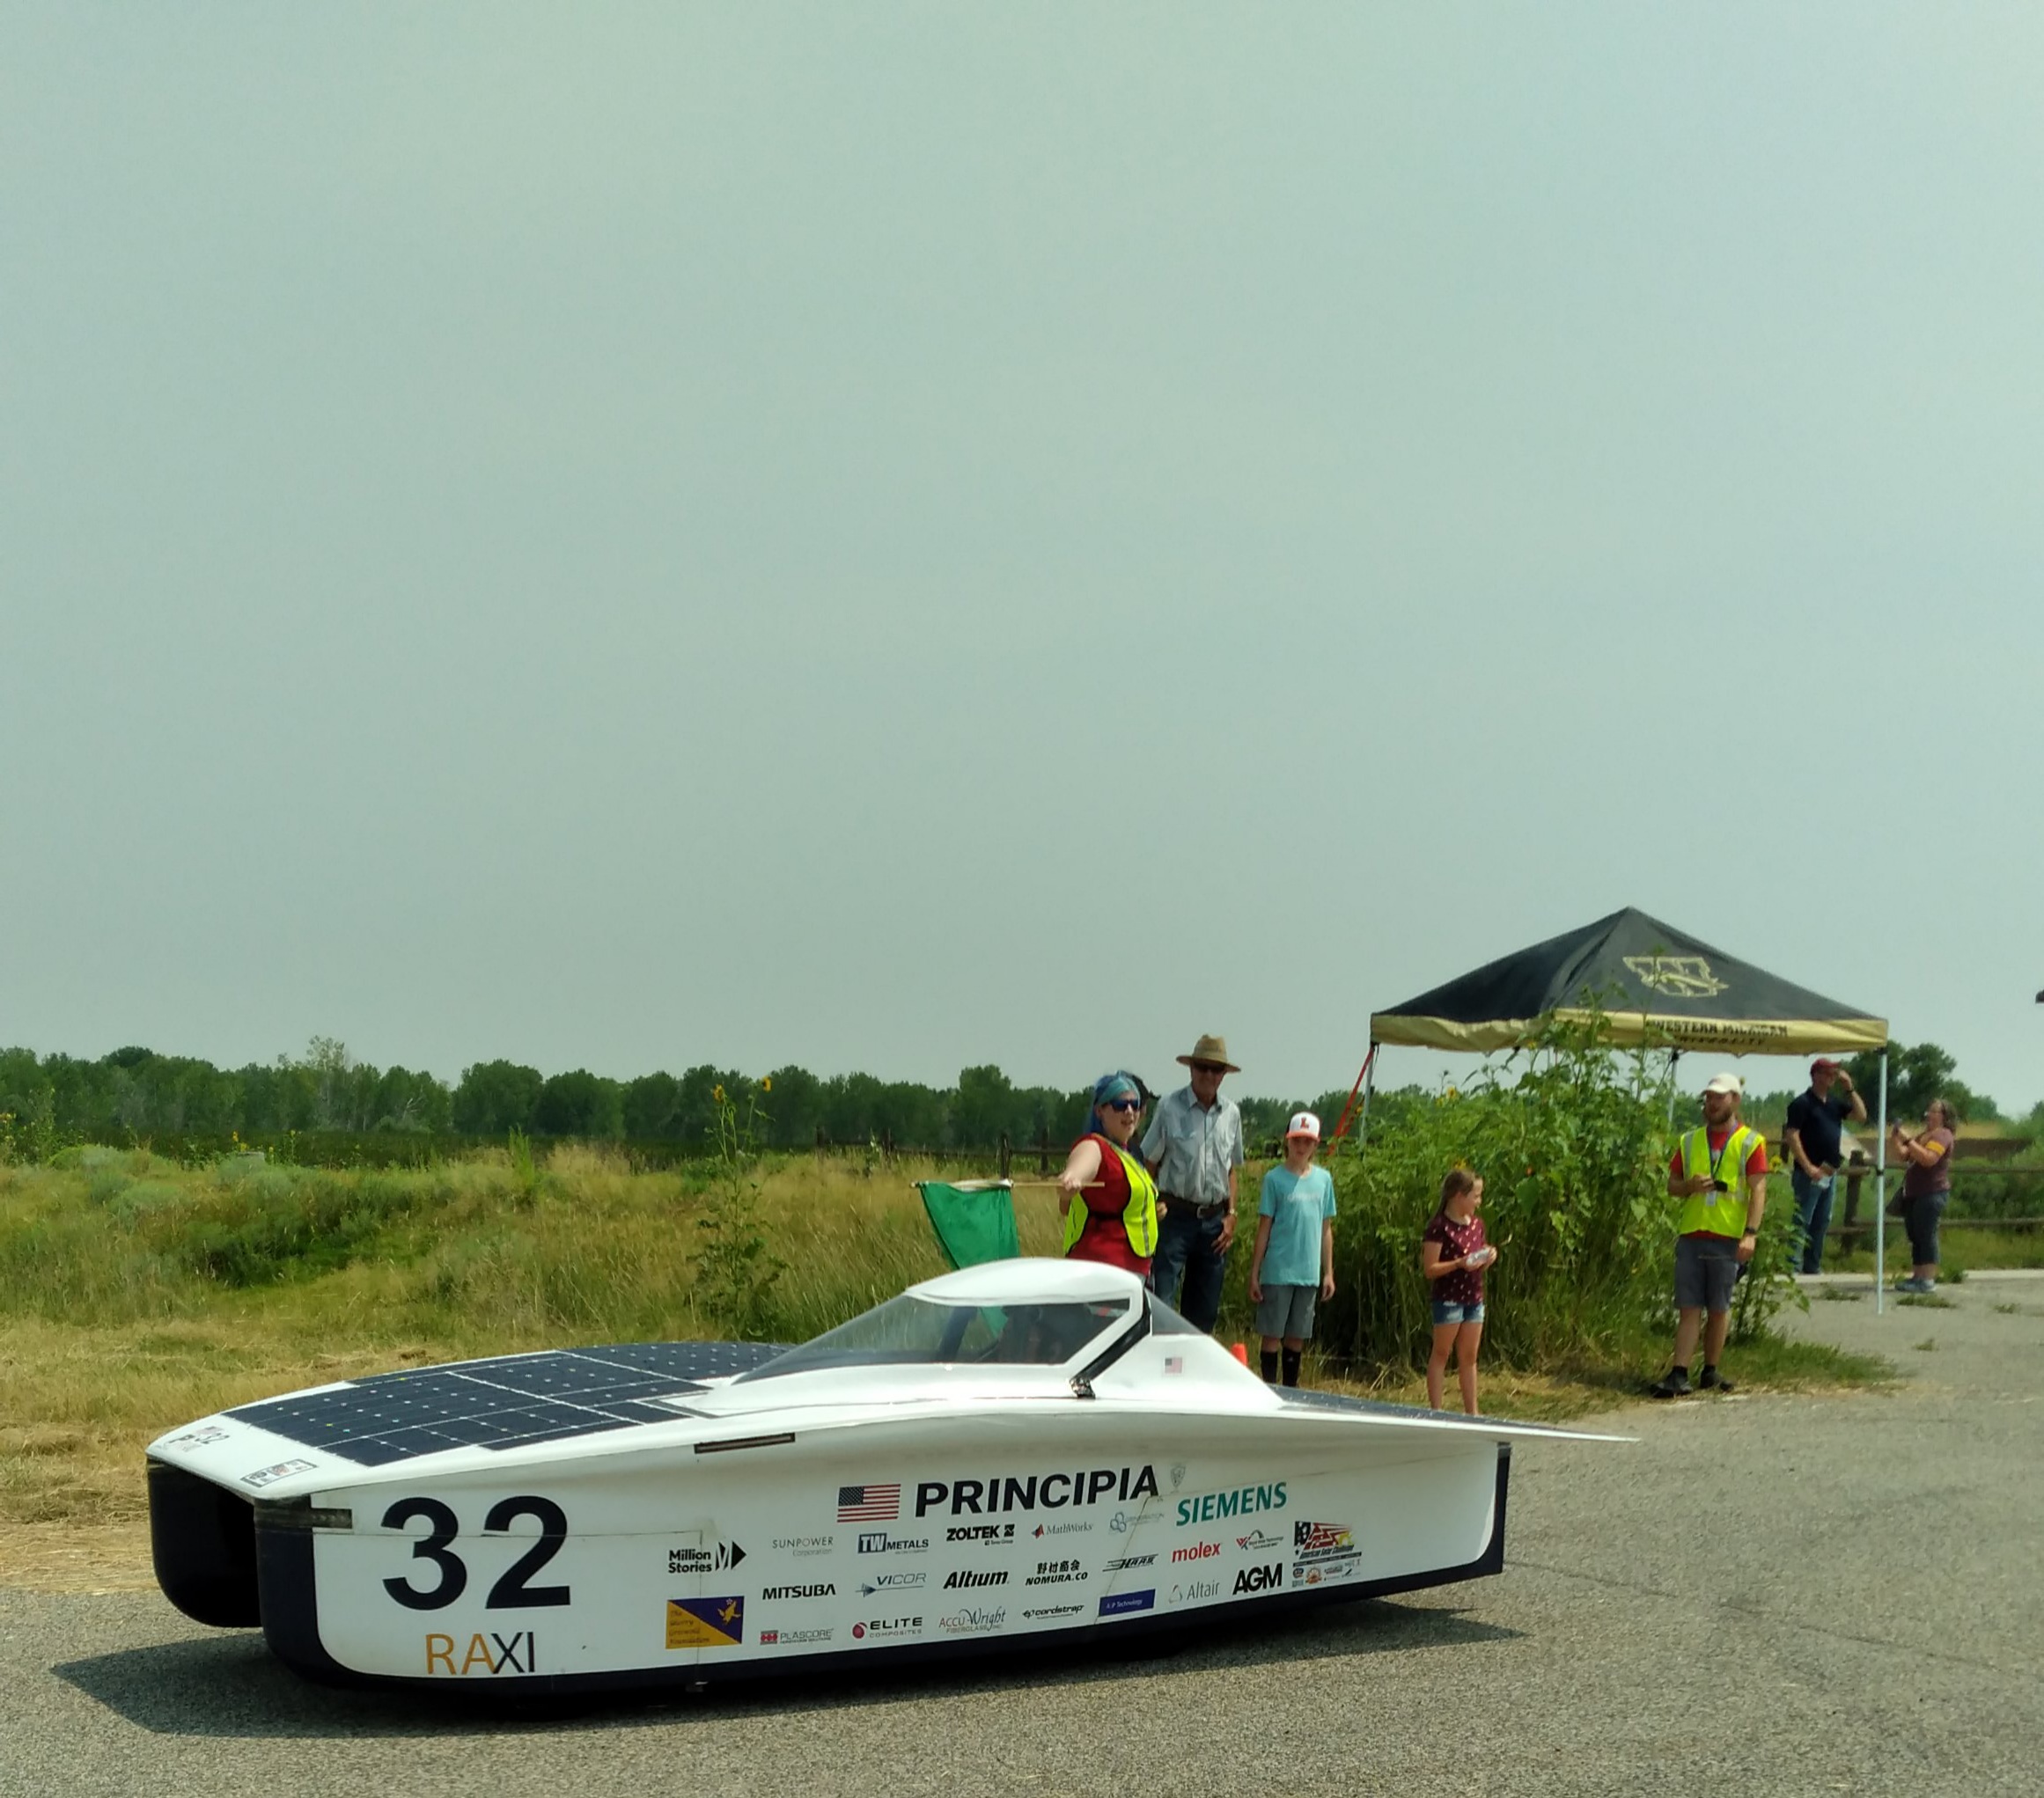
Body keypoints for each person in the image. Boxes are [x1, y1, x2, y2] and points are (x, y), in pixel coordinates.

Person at [1651, 1071, 1768, 1399]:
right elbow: (1672, 1185)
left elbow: (1759, 1190)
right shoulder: (1689, 1141)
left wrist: (1750, 1233)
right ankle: (1679, 1372)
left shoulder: (1750, 1142)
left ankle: (1711, 1370)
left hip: (1728, 1235)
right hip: (1692, 1232)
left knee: (1719, 1306)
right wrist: (1688, 1186)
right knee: (1689, 1306)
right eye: (1709, 1097)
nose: (1712, 1103)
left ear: (1735, 1099)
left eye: (1719, 1097)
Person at [1142, 1033, 1246, 1331]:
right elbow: (1149, 1163)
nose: (1209, 1075)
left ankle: (1189, 1372)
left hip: (1214, 1220)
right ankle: (1157, 1366)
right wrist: (1150, 1206)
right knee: (1161, 1300)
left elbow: (1231, 1169)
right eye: (1203, 1067)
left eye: (1216, 1069)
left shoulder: (1231, 1114)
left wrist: (1231, 1215)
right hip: (1174, 1216)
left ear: (1224, 1075)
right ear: (1191, 1069)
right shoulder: (1169, 1107)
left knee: (1204, 1311)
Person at [1246, 1112, 1335, 1387]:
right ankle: (1270, 1387)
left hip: (1308, 1272)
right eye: (1297, 1140)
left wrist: (1328, 1272)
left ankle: (1291, 1389)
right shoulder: (1274, 1180)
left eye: (1308, 1141)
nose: (1301, 1146)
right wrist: (1255, 1271)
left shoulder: (1323, 1180)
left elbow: (1326, 1228)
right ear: (1287, 1142)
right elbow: (1265, 1227)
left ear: (1316, 1145)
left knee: (1297, 1336)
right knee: (1272, 1334)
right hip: (1278, 1270)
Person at [1056, 1071, 1159, 1278]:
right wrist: (1071, 1180)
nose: (1129, 1112)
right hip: (1103, 1274)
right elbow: (1078, 1169)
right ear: (1100, 1111)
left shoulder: (1128, 1152)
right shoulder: (1094, 1146)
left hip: (1131, 1272)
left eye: (1135, 1105)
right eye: (1120, 1105)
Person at [1422, 1170, 1496, 1415]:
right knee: (1442, 1352)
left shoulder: (1477, 1225)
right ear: (1458, 1196)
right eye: (1475, 1196)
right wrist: (1459, 1263)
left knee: (1470, 1356)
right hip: (1449, 1298)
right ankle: (1437, 1410)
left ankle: (1472, 1411)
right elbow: (1430, 1269)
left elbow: (1478, 1251)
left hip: (1474, 1297)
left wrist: (1487, 1256)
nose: (1478, 1201)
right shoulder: (1439, 1227)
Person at [1783, 1058, 1865, 1274]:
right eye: (1828, 1073)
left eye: (1834, 1073)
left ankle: (1812, 1265)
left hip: (1830, 1171)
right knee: (1803, 1219)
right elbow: (1792, 1135)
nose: (1833, 1077)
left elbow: (1861, 1115)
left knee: (1822, 1221)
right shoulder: (1802, 1103)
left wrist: (1850, 1089)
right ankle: (1792, 1265)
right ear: (1816, 1075)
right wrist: (1808, 1166)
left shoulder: (1835, 1104)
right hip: (1809, 1171)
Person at [1890, 1098, 1957, 1293]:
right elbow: (1904, 1155)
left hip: (1932, 1192)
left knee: (1927, 1234)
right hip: (1914, 1193)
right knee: (1916, 1235)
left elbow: (1928, 1159)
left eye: (1933, 1111)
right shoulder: (1924, 1135)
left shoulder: (1943, 1136)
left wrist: (1908, 1139)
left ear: (1944, 1116)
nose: (1928, 1114)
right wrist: (1896, 1137)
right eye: (1928, 1110)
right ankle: (1917, 1276)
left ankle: (1927, 1279)